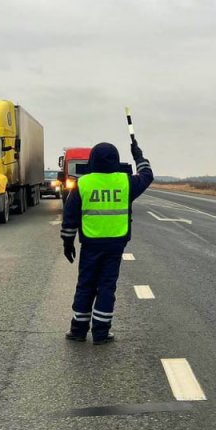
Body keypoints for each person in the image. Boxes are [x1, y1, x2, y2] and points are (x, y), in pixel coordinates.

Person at [61, 138, 153, 343]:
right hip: (115, 245)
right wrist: (138, 156)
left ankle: (78, 330)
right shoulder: (125, 182)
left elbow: (70, 216)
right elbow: (147, 175)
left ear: (92, 160)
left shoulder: (83, 183)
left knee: (85, 285)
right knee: (107, 287)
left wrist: (67, 242)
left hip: (91, 244)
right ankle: (101, 333)